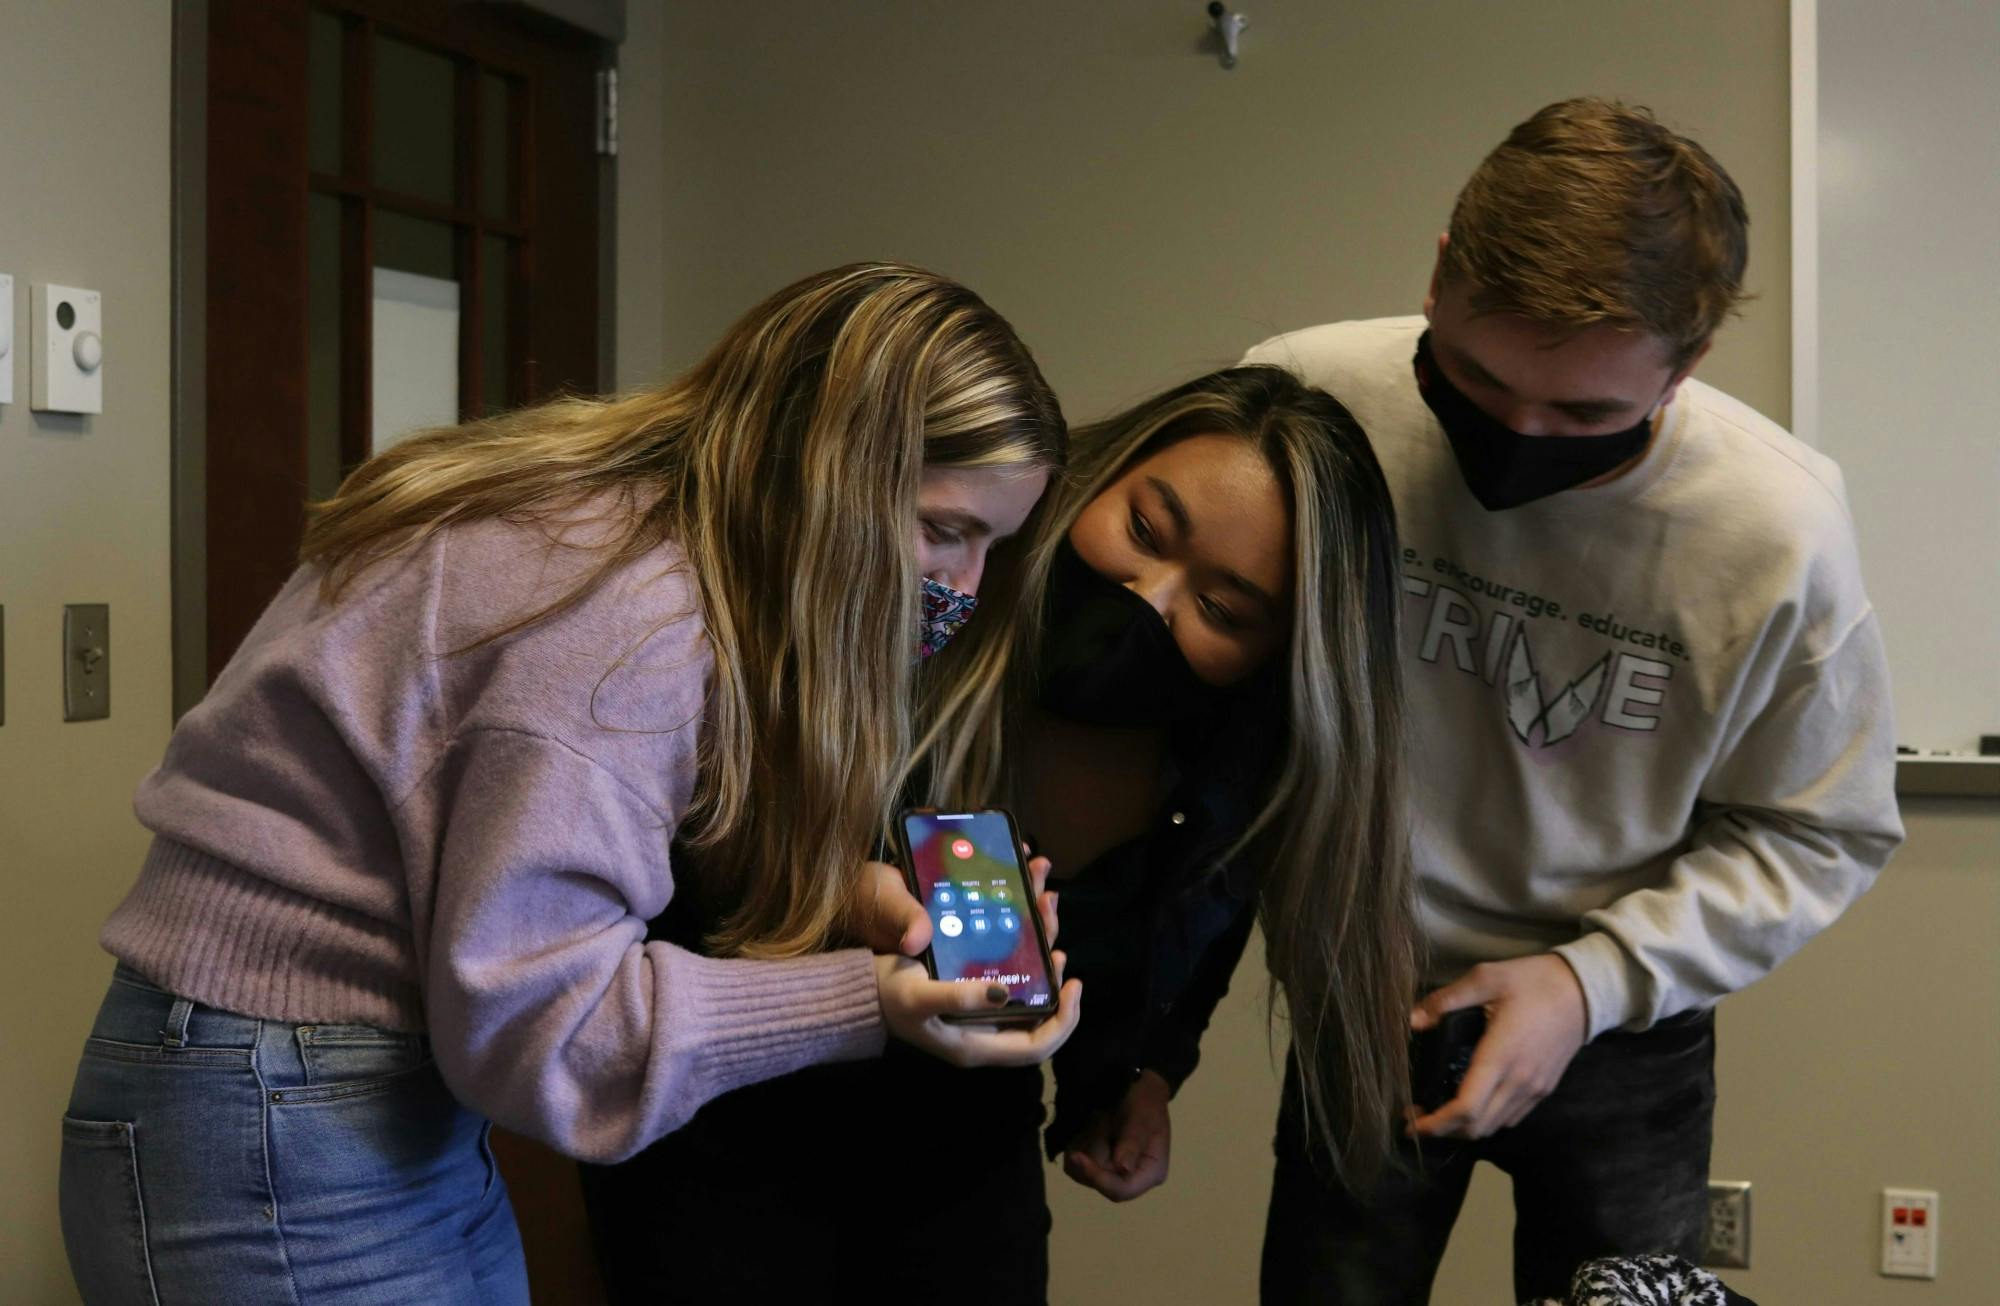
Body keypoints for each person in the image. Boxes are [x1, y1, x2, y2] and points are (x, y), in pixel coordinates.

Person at [57, 262, 1079, 1306]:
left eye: (990, 546)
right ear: (827, 470)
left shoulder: (622, 530)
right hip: (276, 1110)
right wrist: (868, 999)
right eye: (943, 530)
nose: (963, 591)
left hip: (334, 1089)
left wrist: (857, 902)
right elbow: (539, 1035)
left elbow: (596, 845)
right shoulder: (627, 609)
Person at [1243, 99, 1904, 1302]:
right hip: (1368, 995)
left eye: (1585, 415)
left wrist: (1586, 982)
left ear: (1687, 363)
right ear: (1440, 277)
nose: (1517, 438)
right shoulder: (1300, 397)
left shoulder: (1776, 527)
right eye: (1476, 380)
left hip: (1624, 1023)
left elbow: (1821, 827)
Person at [582, 364, 1420, 1304]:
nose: (1149, 594)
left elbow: (1179, 945)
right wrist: (833, 893)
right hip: (728, 1111)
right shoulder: (920, 607)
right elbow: (677, 833)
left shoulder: (1226, 780)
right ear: (1097, 475)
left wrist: (1135, 1075)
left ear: (1279, 656)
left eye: (1222, 610)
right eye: (1144, 530)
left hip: (970, 1141)